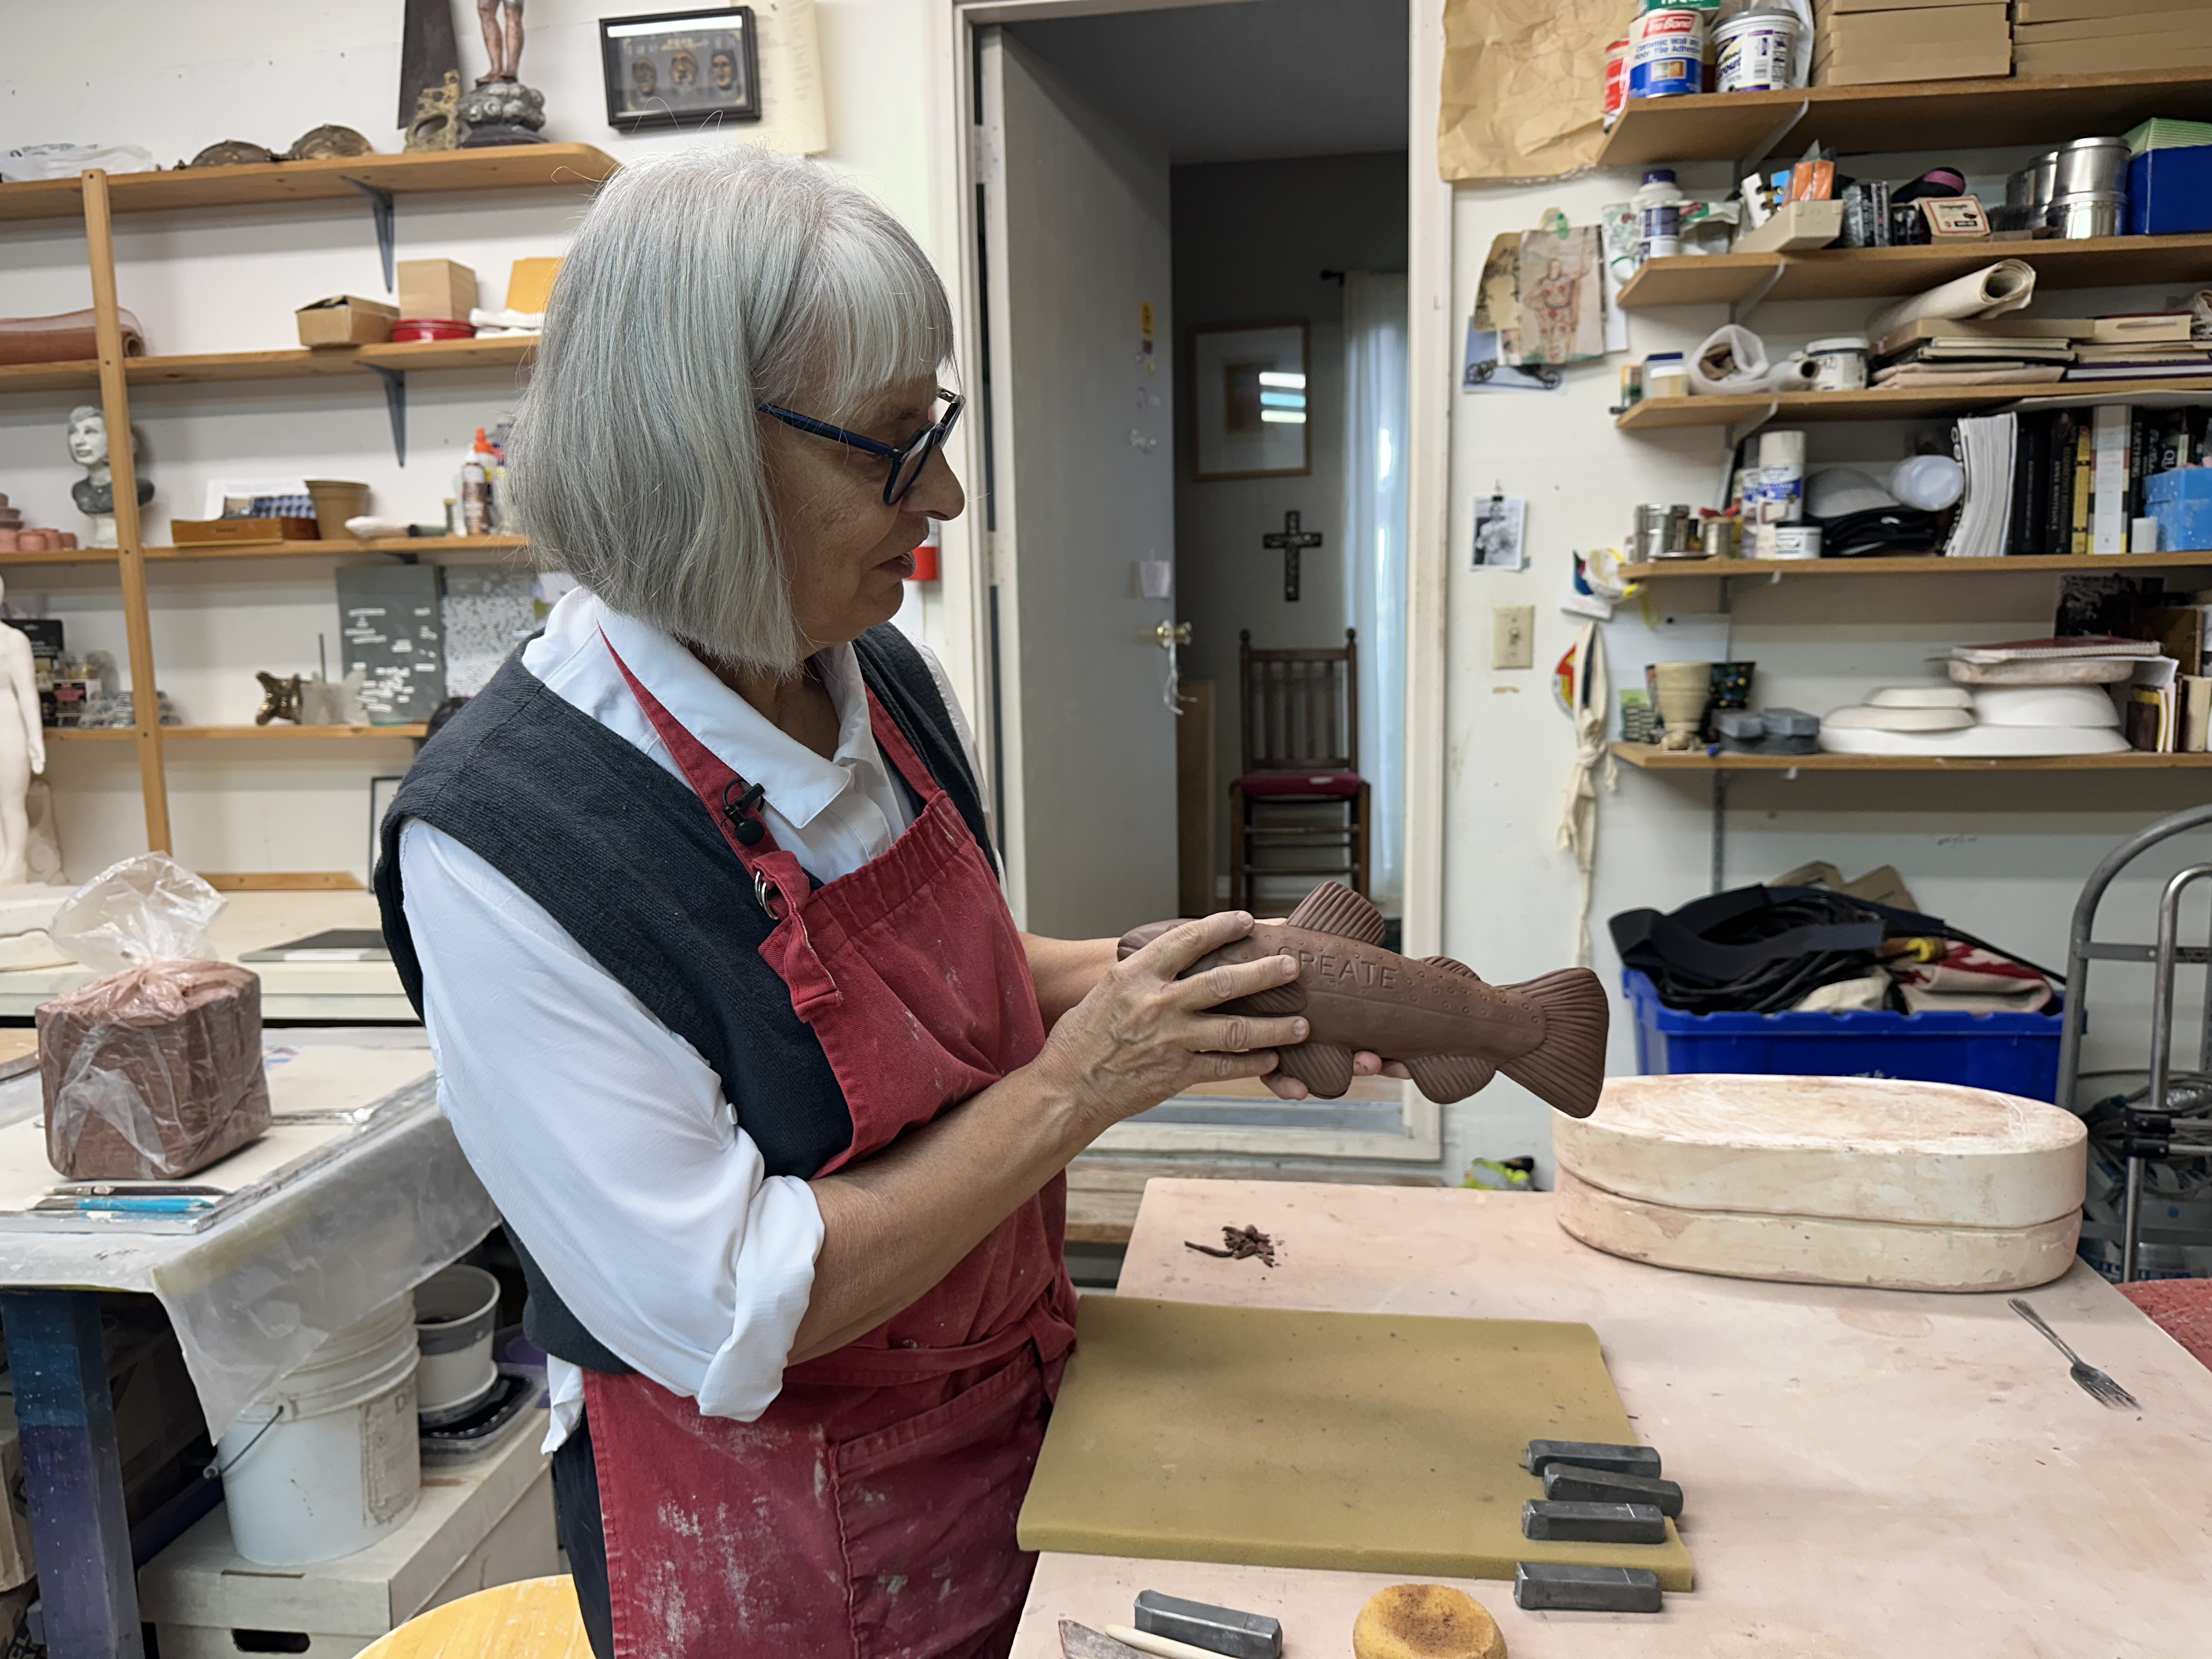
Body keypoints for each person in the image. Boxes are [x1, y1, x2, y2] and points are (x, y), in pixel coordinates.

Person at [374, 148, 1398, 1659]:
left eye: (938, 429)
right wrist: (1083, 1084)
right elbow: (730, 1307)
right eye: (891, 447)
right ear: (695, 449)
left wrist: (1157, 984)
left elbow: (949, 975)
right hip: (771, 1528)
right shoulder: (504, 841)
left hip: (1012, 1397)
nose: (950, 494)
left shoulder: (874, 674)